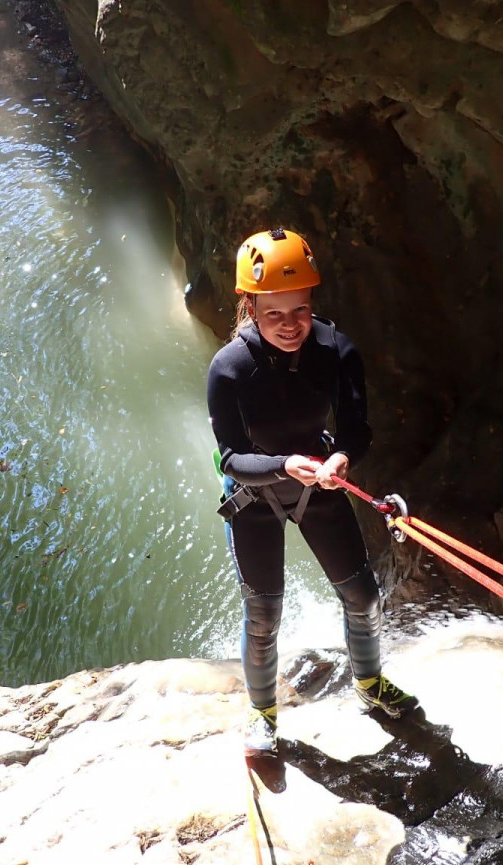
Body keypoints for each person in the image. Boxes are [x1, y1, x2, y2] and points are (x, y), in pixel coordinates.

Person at [206, 227, 417, 756]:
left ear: (312, 301)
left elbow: (357, 428)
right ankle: (262, 715)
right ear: (250, 308)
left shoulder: (336, 350)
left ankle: (369, 684)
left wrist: (342, 456)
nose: (290, 325)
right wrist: (286, 464)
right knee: (264, 617)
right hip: (255, 494)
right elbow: (232, 456)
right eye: (274, 313)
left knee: (364, 598)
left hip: (319, 479)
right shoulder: (229, 368)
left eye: (299, 310)